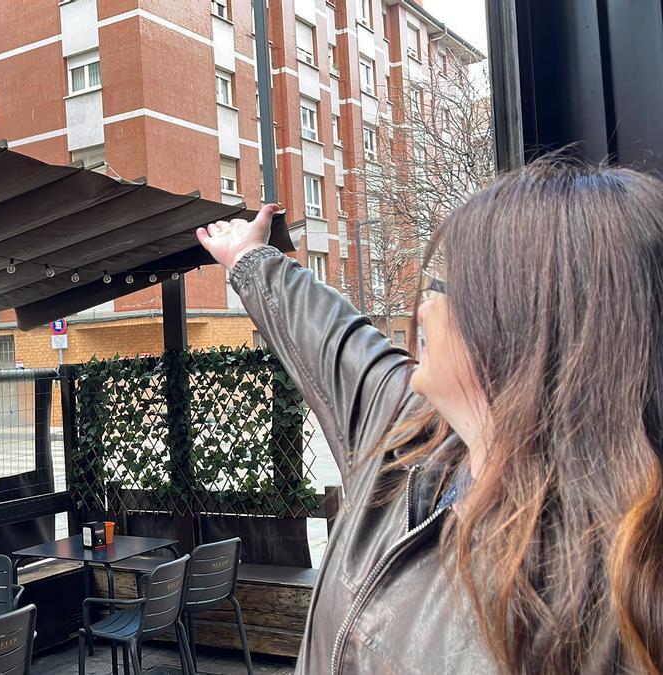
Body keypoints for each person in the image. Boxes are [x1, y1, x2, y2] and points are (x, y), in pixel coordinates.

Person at [196, 160, 663, 674]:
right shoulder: (407, 434)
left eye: (448, 286)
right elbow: (329, 337)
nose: (423, 310)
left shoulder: (604, 609)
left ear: (520, 325)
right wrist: (248, 256)